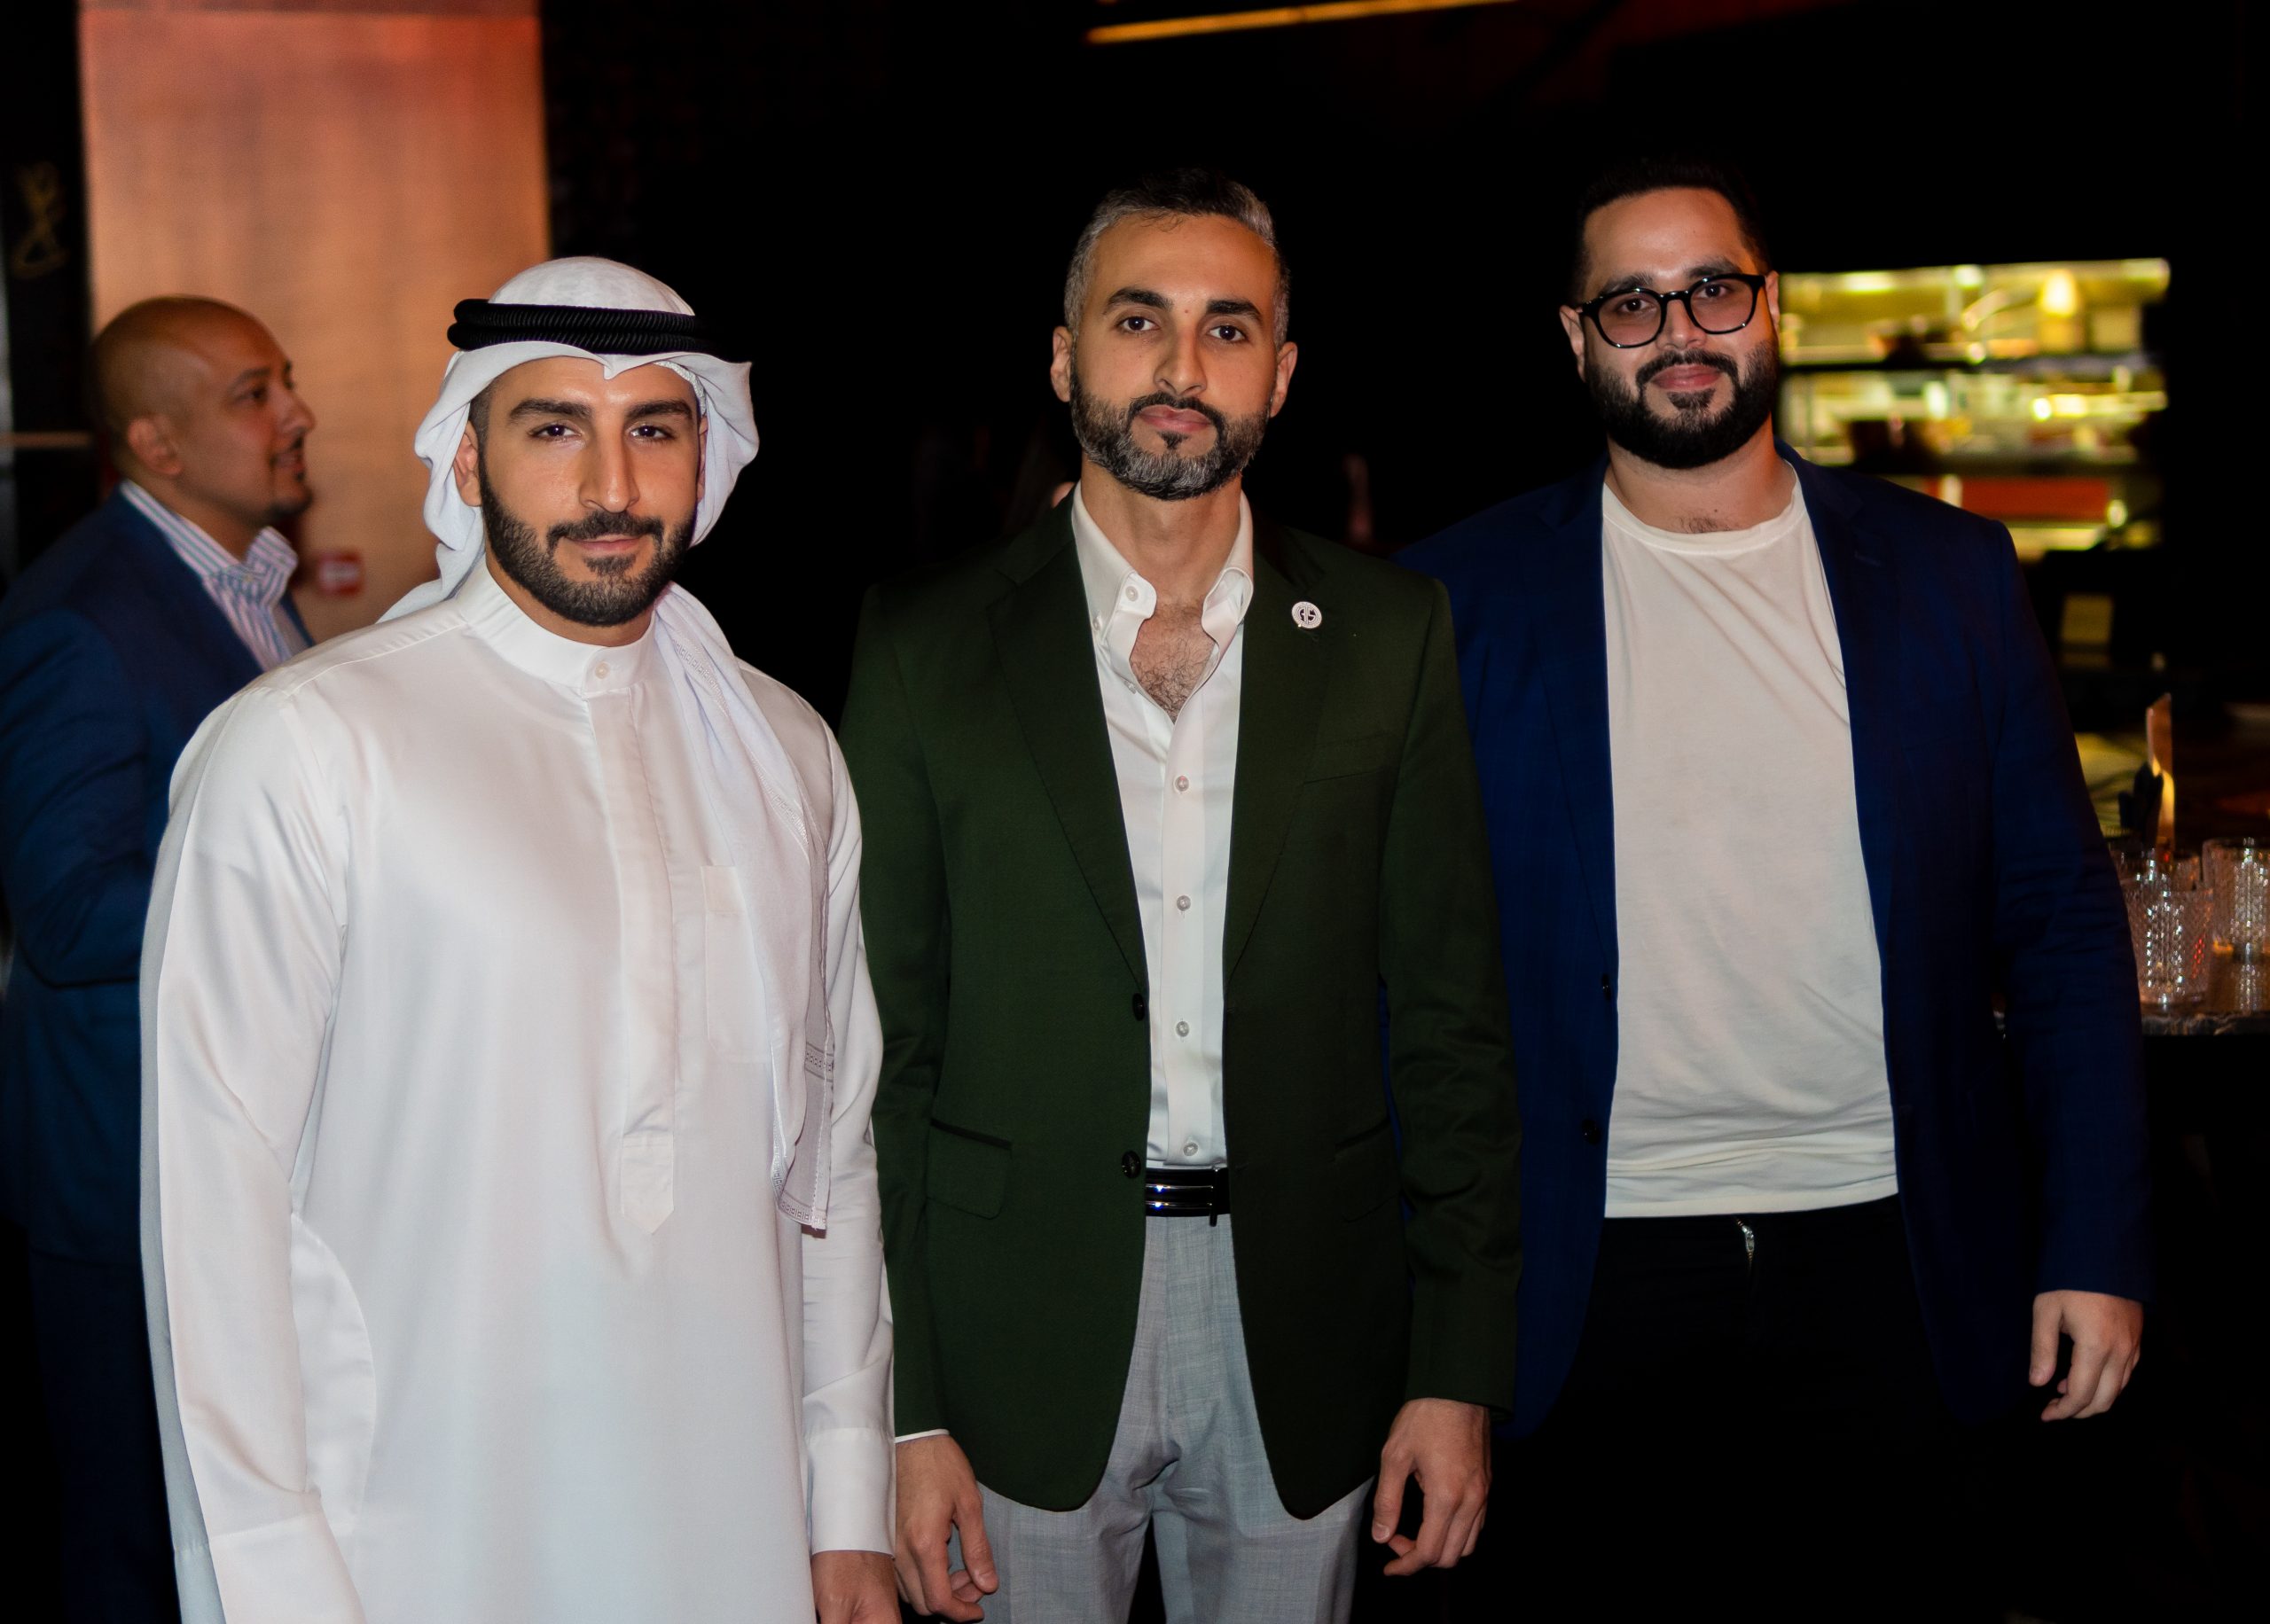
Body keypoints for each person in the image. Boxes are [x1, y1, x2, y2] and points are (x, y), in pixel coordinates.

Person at [1400, 155, 2150, 1614]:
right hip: (1588, 1270)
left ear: (1774, 309)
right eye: (1633, 300)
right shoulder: (1453, 600)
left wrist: (2099, 1242)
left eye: (1713, 289)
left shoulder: (1952, 575)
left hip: (1900, 1251)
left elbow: (2059, 921)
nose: (1680, 328)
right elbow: (1398, 975)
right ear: (1575, 338)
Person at [137, 258, 896, 1622]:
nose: (611, 482)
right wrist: (270, 1581)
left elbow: (831, 1158)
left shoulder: (787, 756)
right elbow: (214, 1210)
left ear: (709, 456)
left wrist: (845, 1503)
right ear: (470, 460)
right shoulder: (308, 749)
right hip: (419, 1531)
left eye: (654, 428)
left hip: (735, 1520)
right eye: (553, 427)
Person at [841, 169, 1522, 1624]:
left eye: (1228, 330)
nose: (1180, 366)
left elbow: (1452, 1029)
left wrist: (1457, 1367)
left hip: (1310, 1318)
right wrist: (900, 1411)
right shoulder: (919, 647)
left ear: (1279, 374)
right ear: (1063, 352)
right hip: (1012, 1325)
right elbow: (879, 1057)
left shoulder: (1392, 635)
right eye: (1138, 319)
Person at [0, 294, 317, 1621]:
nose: (297, 412)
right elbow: (69, 914)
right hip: (127, 1177)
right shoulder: (83, 615)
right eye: (255, 392)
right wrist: (306, 893)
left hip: (232, 1150)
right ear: (157, 443)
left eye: (286, 380)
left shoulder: (248, 588)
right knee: (138, 1544)